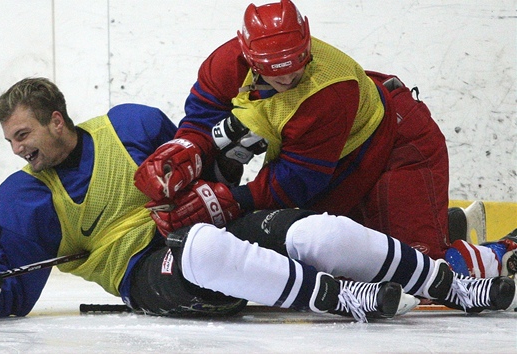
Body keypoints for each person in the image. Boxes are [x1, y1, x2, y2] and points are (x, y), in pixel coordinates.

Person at [0, 77, 516, 324]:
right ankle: (342, 299)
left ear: (56, 120)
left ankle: (451, 283)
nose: (19, 151)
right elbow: (8, 283)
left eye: (23, 136)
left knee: (316, 232)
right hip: (150, 272)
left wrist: (223, 164)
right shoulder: (25, 198)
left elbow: (202, 171)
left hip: (203, 231)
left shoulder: (130, 125)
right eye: (12, 142)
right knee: (200, 246)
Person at [133, 0, 516, 279]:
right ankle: (446, 225)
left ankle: (503, 254)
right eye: (273, 71)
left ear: (307, 41)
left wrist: (232, 201)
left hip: (398, 144)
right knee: (337, 261)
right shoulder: (226, 63)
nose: (286, 79)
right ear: (247, 55)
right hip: (345, 153)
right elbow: (201, 117)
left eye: (296, 63)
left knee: (422, 274)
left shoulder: (328, 91)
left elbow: (299, 181)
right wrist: (184, 148)